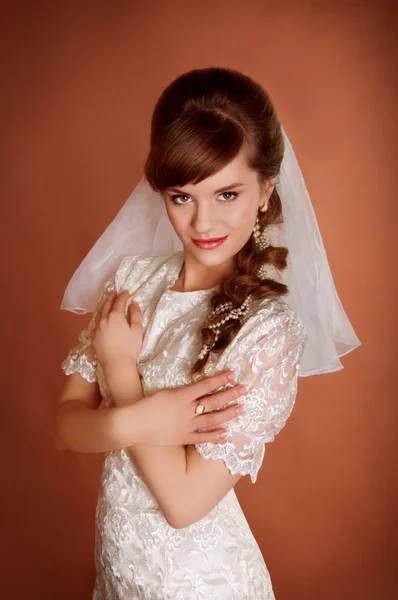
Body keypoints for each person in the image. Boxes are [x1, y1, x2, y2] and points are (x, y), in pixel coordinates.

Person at [55, 67, 360, 599]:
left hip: (199, 581)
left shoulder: (268, 334)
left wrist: (123, 380)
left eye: (226, 195)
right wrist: (145, 419)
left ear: (266, 190)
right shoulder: (131, 281)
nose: (202, 223)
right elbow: (64, 426)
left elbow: (184, 504)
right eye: (182, 197)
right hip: (119, 569)